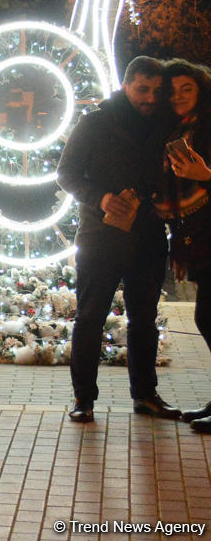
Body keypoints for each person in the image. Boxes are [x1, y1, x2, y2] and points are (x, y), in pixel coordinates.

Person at [57, 56, 177, 423]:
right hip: (101, 236)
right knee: (91, 318)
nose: (150, 98)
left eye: (157, 91)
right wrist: (102, 199)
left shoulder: (166, 125)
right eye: (143, 89)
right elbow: (66, 173)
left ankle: (145, 395)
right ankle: (84, 400)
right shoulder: (96, 123)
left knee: (144, 320)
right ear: (126, 85)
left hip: (148, 237)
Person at [152, 60, 211, 431]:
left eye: (186, 88)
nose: (178, 96)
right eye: (171, 91)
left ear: (201, 89)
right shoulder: (175, 131)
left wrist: (206, 175)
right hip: (199, 236)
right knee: (206, 316)